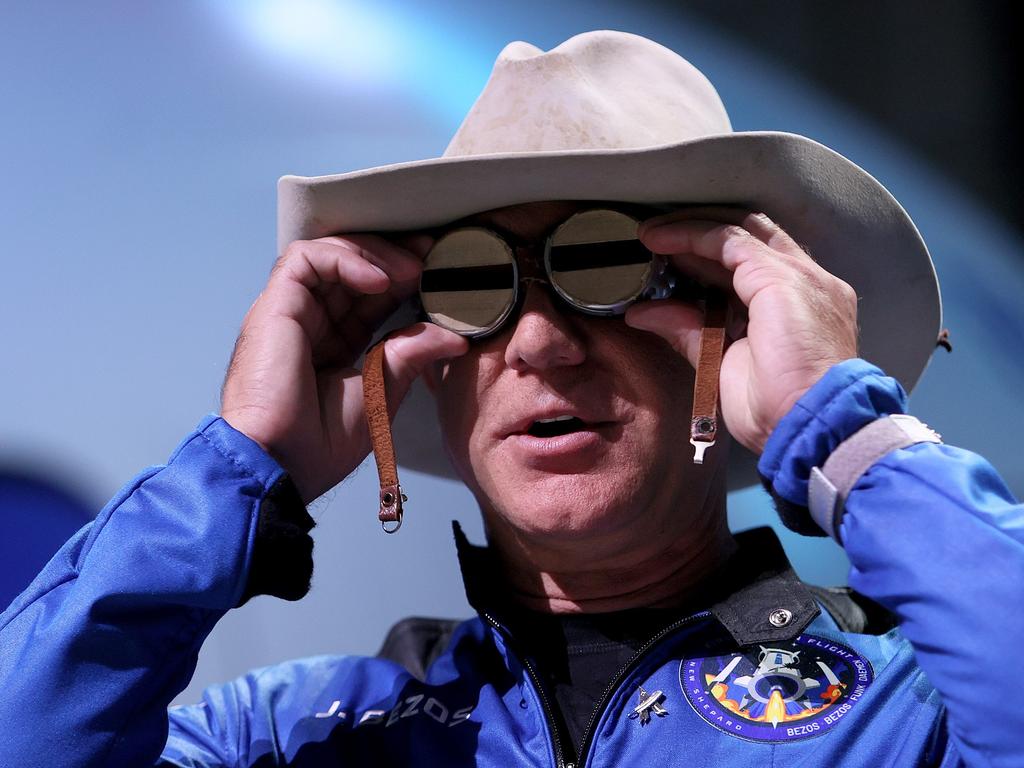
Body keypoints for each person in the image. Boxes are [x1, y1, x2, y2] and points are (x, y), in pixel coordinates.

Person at [0, 30, 1020, 768]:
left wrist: (841, 428)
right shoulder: (289, 738)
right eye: (475, 288)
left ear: (732, 325)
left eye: (610, 268)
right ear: (423, 361)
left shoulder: (906, 711)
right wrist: (235, 468)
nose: (538, 340)